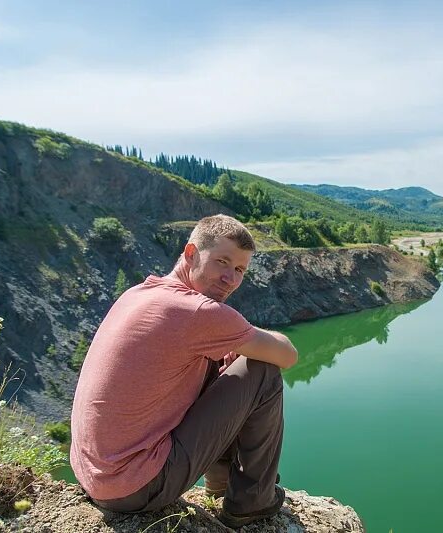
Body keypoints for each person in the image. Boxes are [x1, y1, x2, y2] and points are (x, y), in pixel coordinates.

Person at [70, 214, 298, 528]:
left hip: (95, 476)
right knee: (261, 371)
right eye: (222, 261)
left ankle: (220, 484)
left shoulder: (139, 293)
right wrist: (240, 336)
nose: (230, 279)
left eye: (239, 270)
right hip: (136, 488)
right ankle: (252, 501)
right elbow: (287, 355)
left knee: (217, 361)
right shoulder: (199, 311)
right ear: (190, 253)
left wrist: (231, 340)